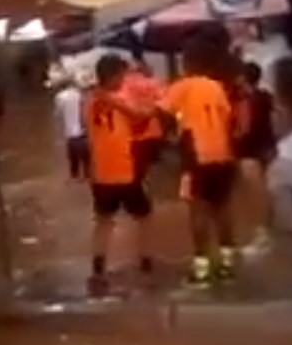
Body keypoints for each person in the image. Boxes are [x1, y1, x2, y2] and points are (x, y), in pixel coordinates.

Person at [164, 37, 239, 284]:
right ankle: (228, 263)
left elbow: (162, 112)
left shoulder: (182, 86)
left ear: (188, 62)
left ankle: (202, 266)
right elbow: (229, 119)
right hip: (224, 155)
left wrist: (171, 138)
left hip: (196, 157)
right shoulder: (217, 87)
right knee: (223, 209)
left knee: (197, 210)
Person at [84, 54, 154, 285]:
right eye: (122, 76)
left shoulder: (89, 102)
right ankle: (145, 260)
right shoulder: (117, 101)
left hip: (100, 175)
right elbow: (140, 115)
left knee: (103, 221)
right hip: (124, 172)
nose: (124, 80)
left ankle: (98, 266)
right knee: (144, 217)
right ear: (113, 76)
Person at [233, 62, 278, 248]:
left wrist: (232, 139)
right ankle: (269, 229)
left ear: (244, 78)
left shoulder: (245, 100)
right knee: (268, 190)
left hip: (249, 151)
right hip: (267, 147)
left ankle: (259, 233)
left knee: (252, 194)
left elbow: (243, 129)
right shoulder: (267, 97)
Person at [53, 75, 88, 180]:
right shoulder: (79, 94)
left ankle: (74, 174)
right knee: (85, 155)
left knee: (73, 155)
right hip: (82, 130)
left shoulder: (59, 97)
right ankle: (86, 174)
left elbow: (58, 114)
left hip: (70, 131)